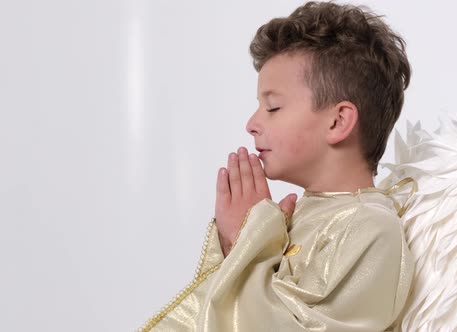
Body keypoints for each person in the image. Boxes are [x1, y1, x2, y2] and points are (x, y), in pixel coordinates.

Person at [141, 1, 414, 331]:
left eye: (272, 107)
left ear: (338, 121)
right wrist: (235, 243)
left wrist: (250, 240)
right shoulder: (292, 217)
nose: (252, 124)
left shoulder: (371, 229)